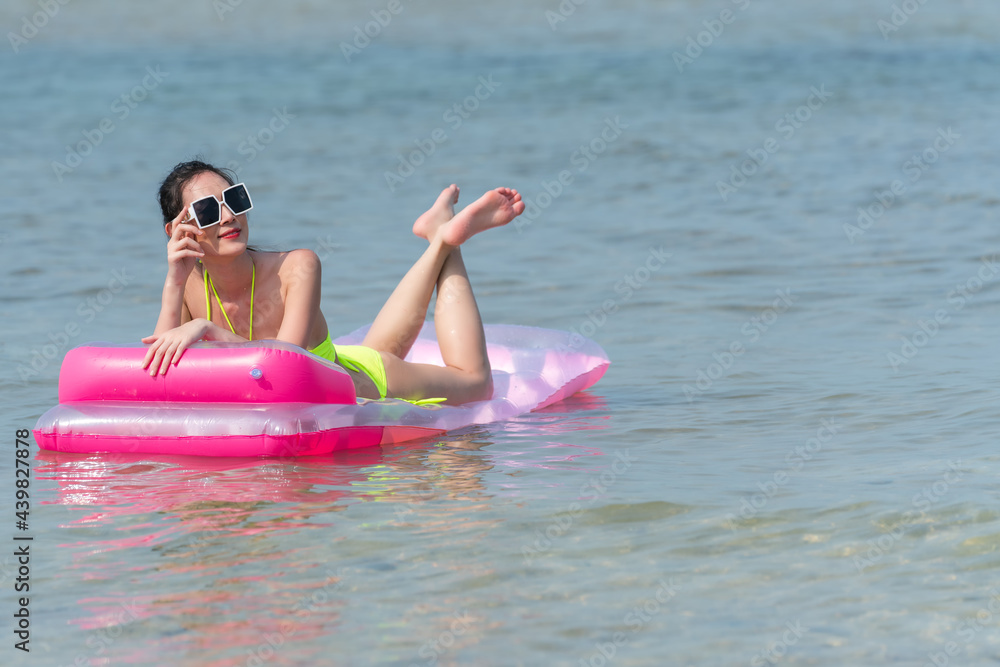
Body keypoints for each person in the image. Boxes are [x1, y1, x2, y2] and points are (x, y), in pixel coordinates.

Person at [141, 160, 525, 405]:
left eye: (234, 199)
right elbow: (160, 376)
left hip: (356, 381)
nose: (228, 216)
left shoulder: (298, 267)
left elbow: (287, 365)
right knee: (382, 346)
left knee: (475, 385)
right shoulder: (186, 284)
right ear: (179, 229)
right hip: (344, 359)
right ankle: (436, 232)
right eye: (208, 210)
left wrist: (210, 330)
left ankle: (449, 240)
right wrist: (173, 283)